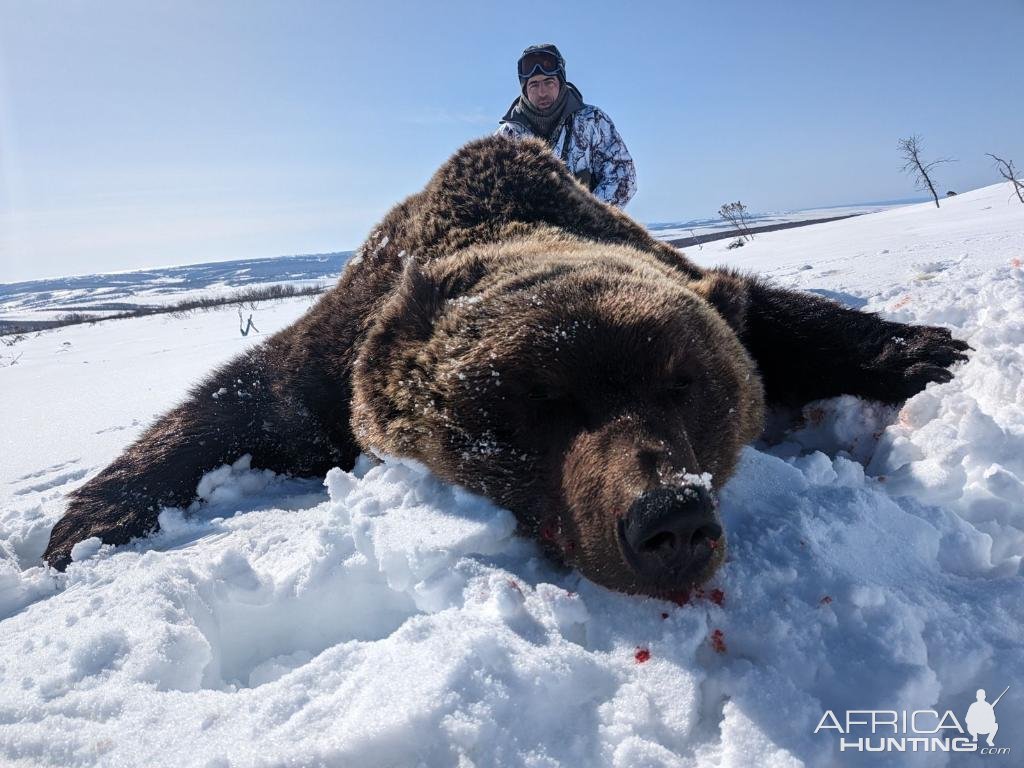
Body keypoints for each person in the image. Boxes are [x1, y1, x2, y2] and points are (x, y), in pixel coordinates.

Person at [496, 43, 636, 208]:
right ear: (525, 89)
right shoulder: (506, 137)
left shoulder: (593, 121)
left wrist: (586, 216)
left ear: (561, 82)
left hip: (589, 228)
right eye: (534, 84)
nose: (542, 92)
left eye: (549, 82)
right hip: (529, 231)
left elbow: (624, 177)